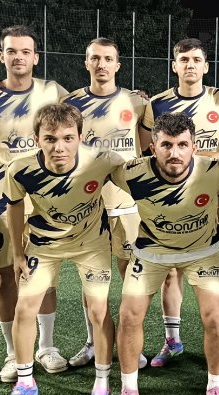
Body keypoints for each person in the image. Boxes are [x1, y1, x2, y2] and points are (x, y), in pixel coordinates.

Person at [108, 112, 219, 395]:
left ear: (194, 147)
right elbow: (95, 171)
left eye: (182, 145)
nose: (175, 153)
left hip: (203, 252)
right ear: (152, 147)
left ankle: (215, 387)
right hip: (151, 253)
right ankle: (129, 391)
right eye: (166, 145)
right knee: (129, 316)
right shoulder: (131, 173)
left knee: (215, 316)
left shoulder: (214, 171)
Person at [0, 103, 120, 395]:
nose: (59, 147)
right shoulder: (19, 169)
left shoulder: (101, 159)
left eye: (68, 138)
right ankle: (25, 383)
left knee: (98, 310)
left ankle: (102, 384)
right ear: (37, 139)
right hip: (44, 246)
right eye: (50, 139)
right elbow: (14, 208)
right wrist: (18, 254)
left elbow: (140, 177)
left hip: (91, 245)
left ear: (80, 138)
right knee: (25, 308)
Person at [0, 25, 69, 382]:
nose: (18, 57)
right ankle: (13, 354)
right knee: (5, 277)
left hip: (42, 203)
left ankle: (46, 347)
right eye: (11, 51)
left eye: (25, 51)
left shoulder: (52, 92)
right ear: (2, 56)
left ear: (35, 57)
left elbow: (86, 113)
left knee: (46, 277)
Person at [138, 38, 219, 368]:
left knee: (217, 271)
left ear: (206, 66)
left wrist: (206, 162)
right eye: (184, 59)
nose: (190, 64)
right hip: (167, 201)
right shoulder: (157, 104)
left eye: (196, 59)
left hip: (211, 201)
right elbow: (146, 148)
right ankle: (172, 341)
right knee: (170, 272)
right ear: (174, 66)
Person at [62, 37, 149, 369]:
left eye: (108, 59)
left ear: (118, 65)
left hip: (128, 206)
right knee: (92, 280)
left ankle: (131, 344)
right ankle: (92, 343)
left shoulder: (137, 103)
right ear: (86, 63)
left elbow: (145, 149)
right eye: (95, 58)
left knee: (133, 278)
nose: (101, 64)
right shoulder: (71, 104)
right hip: (89, 207)